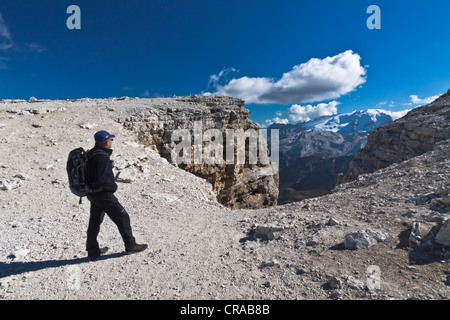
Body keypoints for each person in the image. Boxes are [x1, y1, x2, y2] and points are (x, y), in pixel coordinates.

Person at [85, 130, 147, 261]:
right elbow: (102, 179)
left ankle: (92, 251)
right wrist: (113, 187)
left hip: (92, 193)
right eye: (110, 140)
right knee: (122, 216)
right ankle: (130, 245)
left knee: (95, 221)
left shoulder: (91, 153)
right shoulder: (101, 156)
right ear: (106, 142)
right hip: (102, 194)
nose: (111, 142)